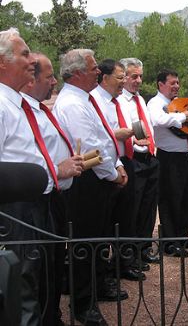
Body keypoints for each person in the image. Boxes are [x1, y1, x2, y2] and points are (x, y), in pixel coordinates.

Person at [0, 28, 80, 325]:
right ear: (2, 62)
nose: (30, 61)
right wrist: (54, 172)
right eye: (24, 54)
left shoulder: (16, 104)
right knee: (22, 286)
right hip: (15, 212)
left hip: (37, 202)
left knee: (39, 278)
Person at [53, 49, 128, 325]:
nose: (99, 71)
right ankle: (82, 304)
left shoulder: (84, 100)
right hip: (87, 181)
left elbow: (105, 139)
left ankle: (92, 292)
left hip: (98, 178)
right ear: (78, 73)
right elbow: (90, 150)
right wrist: (114, 174)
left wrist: (117, 166)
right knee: (85, 244)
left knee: (96, 241)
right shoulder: (73, 104)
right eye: (94, 68)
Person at [20, 52, 85, 325]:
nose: (54, 82)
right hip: (31, 201)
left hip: (53, 194)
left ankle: (52, 314)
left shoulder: (39, 109)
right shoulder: (16, 110)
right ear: (31, 81)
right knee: (36, 270)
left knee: (53, 264)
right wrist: (58, 170)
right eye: (49, 77)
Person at [91, 59, 145, 281]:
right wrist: (115, 164)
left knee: (125, 218)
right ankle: (104, 274)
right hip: (105, 167)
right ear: (105, 78)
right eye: (121, 77)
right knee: (105, 224)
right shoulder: (95, 101)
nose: (124, 82)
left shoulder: (114, 101)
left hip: (121, 162)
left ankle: (123, 264)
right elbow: (98, 139)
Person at [147, 69, 188, 256]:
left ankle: (183, 237)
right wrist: (183, 117)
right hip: (168, 157)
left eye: (177, 82)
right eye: (172, 83)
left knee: (186, 197)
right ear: (160, 84)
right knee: (169, 199)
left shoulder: (178, 103)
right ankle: (169, 241)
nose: (176, 86)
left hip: (184, 155)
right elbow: (158, 120)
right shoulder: (156, 103)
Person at [118, 58, 160, 264]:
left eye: (140, 76)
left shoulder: (140, 100)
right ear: (123, 77)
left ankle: (143, 248)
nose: (138, 80)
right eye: (134, 76)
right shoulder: (118, 101)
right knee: (131, 209)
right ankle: (128, 256)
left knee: (148, 207)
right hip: (132, 159)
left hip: (149, 157)